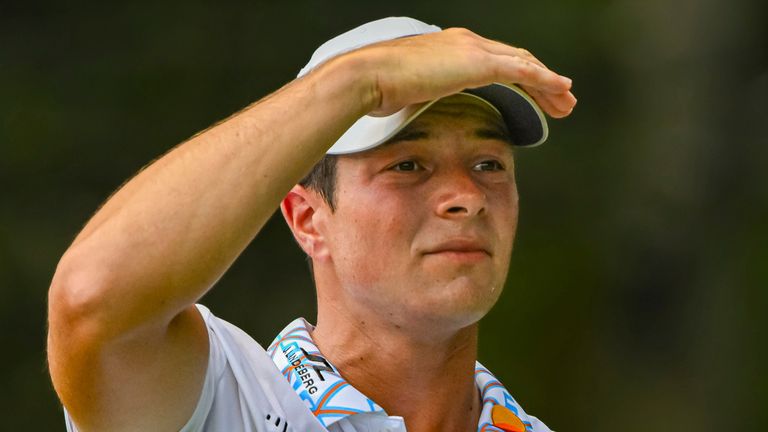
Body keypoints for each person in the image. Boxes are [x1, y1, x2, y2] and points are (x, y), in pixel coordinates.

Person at [47, 16, 576, 432]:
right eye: (407, 166)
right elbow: (92, 303)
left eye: (489, 165)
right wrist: (358, 81)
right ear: (307, 219)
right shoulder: (228, 404)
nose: (467, 197)